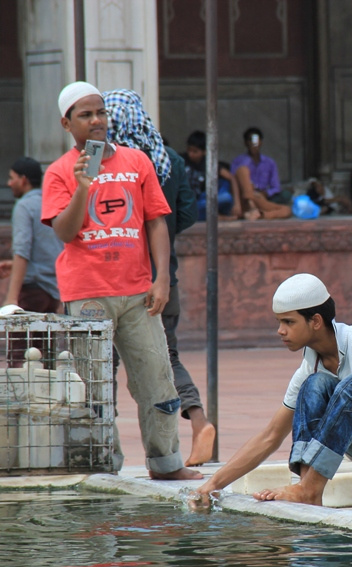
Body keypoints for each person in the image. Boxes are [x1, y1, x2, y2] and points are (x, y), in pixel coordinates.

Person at [41, 80, 198, 481]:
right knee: (94, 387)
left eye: (100, 113)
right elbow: (65, 231)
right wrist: (82, 188)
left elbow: (156, 223)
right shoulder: (59, 172)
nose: (96, 121)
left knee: (157, 379)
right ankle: (104, 466)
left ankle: (166, 464)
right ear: (66, 123)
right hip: (87, 294)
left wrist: (162, 279)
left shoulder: (137, 161)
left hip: (138, 293)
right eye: (85, 115)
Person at [190, 273, 352, 507]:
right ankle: (308, 489)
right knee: (314, 385)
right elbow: (271, 436)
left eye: (288, 322)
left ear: (315, 321)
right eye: (279, 322)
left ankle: (309, 489)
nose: (280, 330)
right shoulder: (310, 366)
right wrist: (213, 485)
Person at [104, 88, 216, 470]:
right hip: (161, 275)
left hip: (115, 275)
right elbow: (187, 213)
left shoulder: (109, 164)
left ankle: (105, 443)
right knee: (167, 355)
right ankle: (200, 423)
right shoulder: (170, 160)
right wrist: (161, 234)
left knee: (106, 362)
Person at [0, 157, 65, 366]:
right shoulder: (52, 203)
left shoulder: (24, 206)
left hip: (32, 292)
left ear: (23, 180)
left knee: (20, 358)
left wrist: (11, 299)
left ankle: (20, 399)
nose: (8, 183)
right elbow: (51, 249)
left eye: (11, 178)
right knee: (44, 357)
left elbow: (22, 252)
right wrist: (13, 265)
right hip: (53, 291)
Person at [231, 127, 292, 220]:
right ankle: (251, 207)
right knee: (242, 170)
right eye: (250, 140)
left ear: (261, 142)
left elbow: (276, 187)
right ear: (245, 142)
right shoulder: (239, 161)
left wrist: (265, 193)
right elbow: (234, 181)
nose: (253, 143)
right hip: (245, 196)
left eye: (256, 140)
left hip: (262, 197)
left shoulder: (270, 162)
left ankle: (259, 214)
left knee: (287, 209)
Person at [184, 130, 240, 220]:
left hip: (204, 200)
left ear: (204, 152)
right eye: (189, 150)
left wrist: (237, 204)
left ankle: (217, 216)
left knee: (226, 197)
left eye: (195, 151)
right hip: (189, 203)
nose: (191, 154)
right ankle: (219, 217)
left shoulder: (209, 163)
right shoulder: (182, 160)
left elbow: (231, 178)